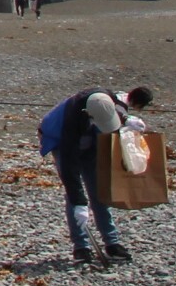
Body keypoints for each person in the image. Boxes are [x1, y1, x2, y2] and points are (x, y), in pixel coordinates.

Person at [42, 85, 152, 265]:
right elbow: (70, 170)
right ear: (89, 115)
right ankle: (81, 247)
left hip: (92, 144)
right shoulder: (70, 122)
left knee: (99, 190)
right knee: (75, 196)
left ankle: (112, 243)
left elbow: (115, 111)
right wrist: (79, 203)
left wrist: (126, 120)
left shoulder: (105, 97)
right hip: (63, 144)